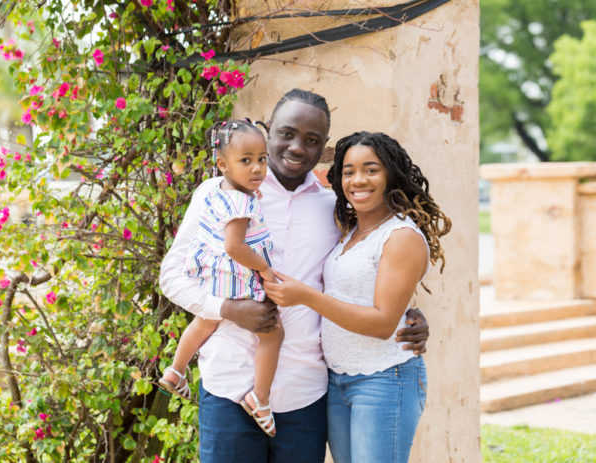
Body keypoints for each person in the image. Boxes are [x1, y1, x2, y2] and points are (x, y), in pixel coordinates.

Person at [159, 89, 430, 463]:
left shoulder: (333, 209)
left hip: (306, 395)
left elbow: (362, 270)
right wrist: (226, 308)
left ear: (323, 150)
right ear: (269, 131)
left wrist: (408, 315)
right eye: (287, 133)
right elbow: (172, 276)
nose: (297, 147)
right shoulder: (217, 195)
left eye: (312, 140)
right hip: (229, 384)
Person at [264, 131, 452, 462]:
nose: (358, 180)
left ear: (390, 174)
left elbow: (383, 323)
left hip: (383, 379)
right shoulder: (350, 230)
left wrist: (305, 296)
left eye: (371, 169)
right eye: (349, 171)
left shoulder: (401, 235)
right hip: (338, 381)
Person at [159, 119, 283, 437]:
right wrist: (265, 270)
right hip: (238, 280)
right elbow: (235, 246)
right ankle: (260, 397)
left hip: (216, 277)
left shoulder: (219, 191)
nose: (257, 169)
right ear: (222, 164)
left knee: (204, 321)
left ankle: (175, 370)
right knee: (273, 332)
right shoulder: (242, 202)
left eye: (261, 159)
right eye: (246, 161)